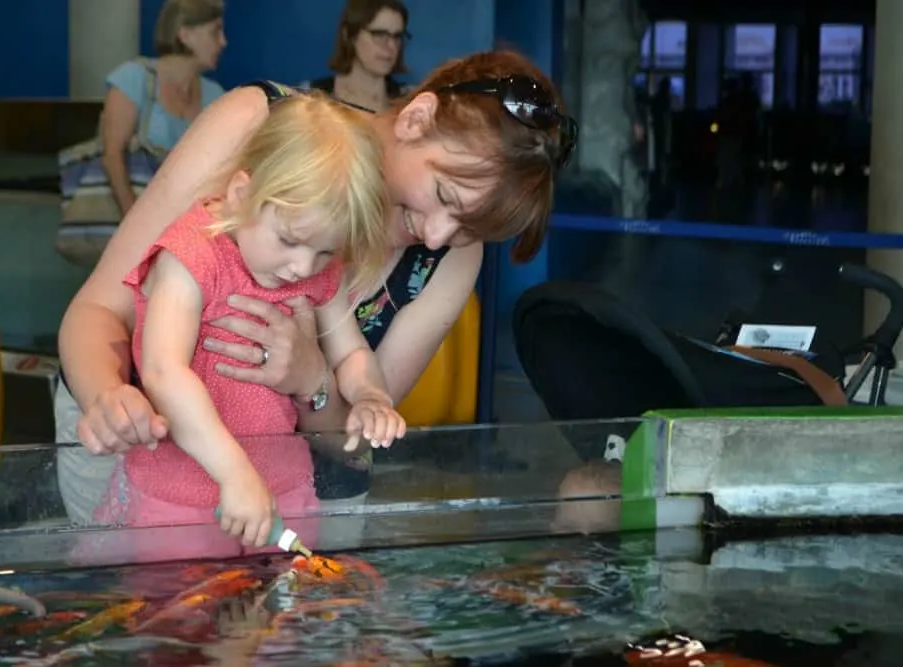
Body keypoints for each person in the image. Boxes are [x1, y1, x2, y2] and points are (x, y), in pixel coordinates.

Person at [55, 49, 578, 543]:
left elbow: (351, 445)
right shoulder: (267, 129)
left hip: (292, 491)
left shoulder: (452, 258)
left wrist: (312, 381)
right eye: (444, 195)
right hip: (146, 462)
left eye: (471, 228)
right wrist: (107, 396)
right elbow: (99, 310)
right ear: (416, 118)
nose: (438, 236)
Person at [80, 93, 406, 563]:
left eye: (323, 252)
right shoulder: (191, 255)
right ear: (241, 193)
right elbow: (163, 371)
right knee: (174, 624)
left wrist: (370, 395)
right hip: (178, 502)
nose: (301, 267)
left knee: (280, 625)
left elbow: (351, 352)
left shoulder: (315, 267)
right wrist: (235, 474)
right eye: (289, 240)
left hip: (284, 490)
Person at [101, 0, 227, 216]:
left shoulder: (215, 95)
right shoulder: (133, 79)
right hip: (126, 222)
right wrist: (133, 223)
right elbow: (112, 157)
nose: (223, 42)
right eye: (215, 32)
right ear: (185, 35)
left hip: (185, 227)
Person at [306, 0, 412, 112]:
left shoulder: (413, 103)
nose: (392, 46)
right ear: (349, 35)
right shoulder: (308, 100)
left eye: (397, 36)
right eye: (379, 34)